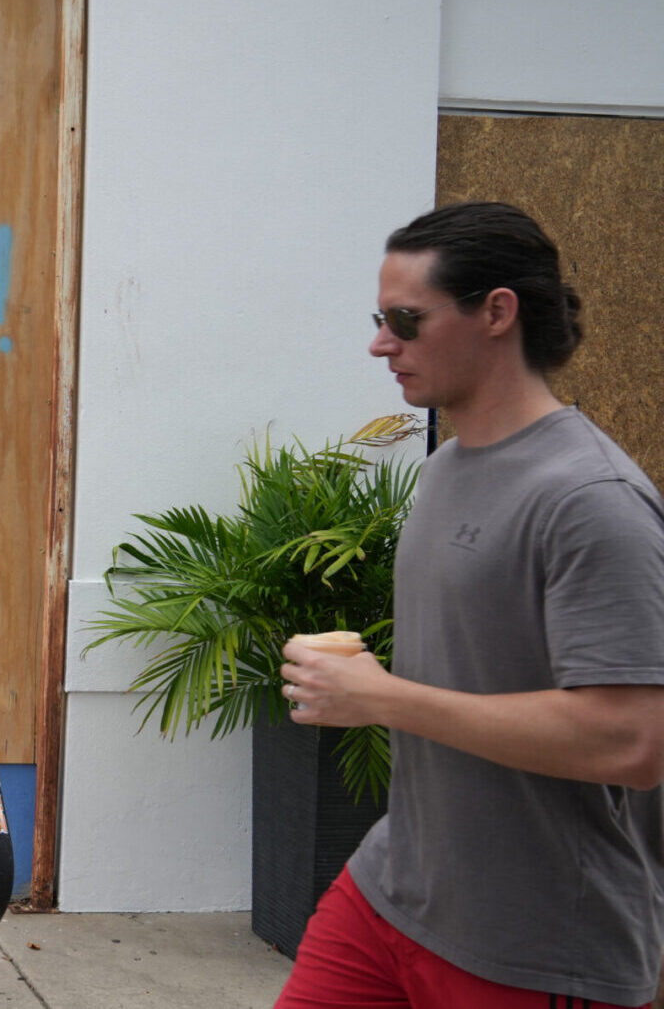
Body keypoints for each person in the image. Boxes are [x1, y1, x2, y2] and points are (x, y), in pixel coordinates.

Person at [274, 200, 664, 1008]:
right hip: (391, 893)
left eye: (406, 321)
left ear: (497, 312)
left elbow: (632, 740)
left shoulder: (591, 499)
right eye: (380, 319)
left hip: (533, 943)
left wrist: (381, 698)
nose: (382, 343)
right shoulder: (447, 467)